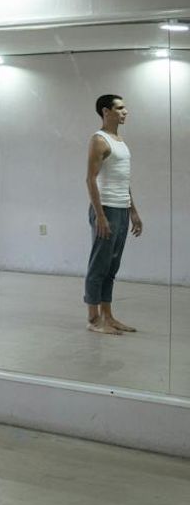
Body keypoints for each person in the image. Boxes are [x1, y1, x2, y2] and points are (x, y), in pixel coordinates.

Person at [84, 93, 143, 334]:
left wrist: (134, 211)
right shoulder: (99, 140)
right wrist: (100, 216)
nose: (125, 111)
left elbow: (123, 180)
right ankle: (93, 319)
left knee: (112, 266)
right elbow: (90, 179)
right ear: (106, 111)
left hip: (121, 209)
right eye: (119, 108)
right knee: (99, 266)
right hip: (105, 209)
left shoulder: (120, 140)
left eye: (125, 107)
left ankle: (108, 316)